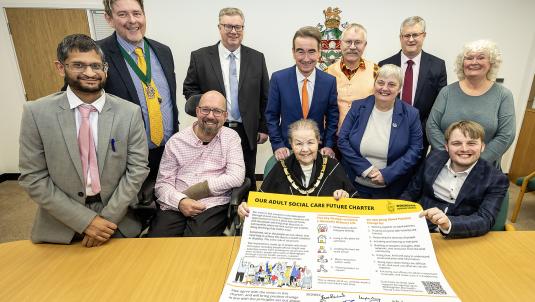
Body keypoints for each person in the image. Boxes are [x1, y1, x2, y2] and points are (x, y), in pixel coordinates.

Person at [18, 34, 149, 246]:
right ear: (61, 68)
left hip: (117, 219)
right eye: (79, 65)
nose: (89, 73)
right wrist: (85, 221)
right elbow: (33, 177)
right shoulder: (36, 112)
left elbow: (138, 170)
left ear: (105, 69)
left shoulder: (129, 113)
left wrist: (104, 221)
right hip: (59, 223)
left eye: (96, 66)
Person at [183, 7, 269, 192]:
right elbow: (189, 90)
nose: (233, 31)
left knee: (246, 179)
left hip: (247, 132)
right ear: (219, 27)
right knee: (215, 178)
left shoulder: (257, 58)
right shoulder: (200, 57)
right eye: (228, 26)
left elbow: (265, 96)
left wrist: (263, 128)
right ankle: (217, 214)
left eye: (238, 27)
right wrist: (207, 109)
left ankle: (245, 215)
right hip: (213, 130)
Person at [98, 0, 178, 184]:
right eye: (123, 14)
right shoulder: (98, 53)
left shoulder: (163, 51)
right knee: (128, 209)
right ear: (109, 19)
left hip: (167, 151)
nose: (132, 20)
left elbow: (169, 101)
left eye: (136, 13)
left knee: (165, 204)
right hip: (124, 156)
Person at [147, 91, 245, 237]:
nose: (211, 116)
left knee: (196, 244)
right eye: (205, 109)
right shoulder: (176, 142)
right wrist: (180, 201)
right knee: (158, 242)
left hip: (213, 203)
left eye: (217, 111)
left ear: (225, 116)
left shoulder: (231, 138)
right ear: (197, 111)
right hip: (176, 203)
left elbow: (236, 176)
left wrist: (197, 191)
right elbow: (162, 184)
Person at [401, 121, 509, 238]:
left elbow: (485, 219)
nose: (464, 149)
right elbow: (411, 192)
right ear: (446, 146)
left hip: (460, 235)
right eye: (456, 143)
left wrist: (449, 224)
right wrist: (396, 215)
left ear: (482, 146)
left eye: (471, 143)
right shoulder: (433, 158)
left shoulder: (496, 179)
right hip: (419, 226)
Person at [237, 119, 355, 219]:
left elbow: (355, 205)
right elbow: (259, 205)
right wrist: (245, 209)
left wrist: (346, 198)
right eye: (298, 144)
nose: (305, 149)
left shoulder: (332, 166)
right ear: (291, 144)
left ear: (318, 141)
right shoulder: (280, 168)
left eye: (310, 142)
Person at [426, 39, 515, 168]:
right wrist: (450, 158)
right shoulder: (447, 92)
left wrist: (474, 162)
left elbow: (506, 135)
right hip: (442, 164)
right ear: (462, 63)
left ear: (491, 63)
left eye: (480, 57)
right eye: (469, 58)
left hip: (482, 168)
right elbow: (432, 126)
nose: (474, 62)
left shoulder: (503, 95)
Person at [338, 64, 422, 199]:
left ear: (399, 88)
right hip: (354, 185)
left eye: (391, 84)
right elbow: (342, 140)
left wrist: (387, 174)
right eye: (380, 82)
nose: (384, 88)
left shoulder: (411, 114)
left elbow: (415, 149)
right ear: (374, 83)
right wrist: (367, 169)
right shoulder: (358, 106)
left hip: (392, 189)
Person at [265, 26, 339, 161]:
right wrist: (278, 145)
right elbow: (271, 116)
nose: (306, 58)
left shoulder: (329, 82)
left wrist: (328, 145)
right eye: (300, 52)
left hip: (317, 151)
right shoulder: (278, 79)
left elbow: (332, 119)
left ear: (319, 53)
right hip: (287, 151)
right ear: (293, 52)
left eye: (311, 52)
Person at [379, 16, 447, 158]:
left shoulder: (437, 65)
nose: (411, 39)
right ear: (400, 37)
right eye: (406, 35)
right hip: (387, 132)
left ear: (424, 36)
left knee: (416, 175)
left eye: (415, 35)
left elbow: (439, 105)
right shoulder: (384, 64)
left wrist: (421, 129)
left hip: (421, 134)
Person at [324, 23, 378, 131]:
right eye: (348, 42)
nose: (352, 47)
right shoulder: (327, 73)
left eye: (358, 42)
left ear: (365, 45)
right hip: (334, 139)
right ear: (340, 44)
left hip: (365, 137)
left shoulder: (376, 71)